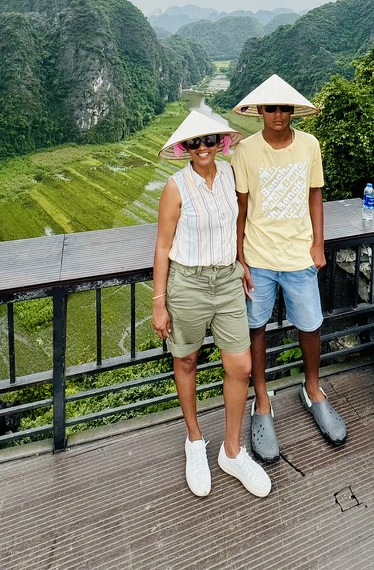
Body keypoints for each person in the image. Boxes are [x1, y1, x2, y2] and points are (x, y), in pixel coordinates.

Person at [152, 109, 272, 499]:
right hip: (187, 284)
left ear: (220, 143)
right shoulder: (176, 187)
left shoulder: (231, 177)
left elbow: (236, 225)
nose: (202, 148)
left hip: (226, 281)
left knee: (240, 365)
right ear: (185, 148)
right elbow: (163, 246)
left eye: (209, 140)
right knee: (186, 360)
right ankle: (194, 441)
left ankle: (232, 451)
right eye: (194, 142)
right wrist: (159, 302)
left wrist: (242, 262)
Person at [231, 73, 348, 461]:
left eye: (285, 107)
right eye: (270, 108)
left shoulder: (310, 145)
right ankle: (262, 400)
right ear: (259, 111)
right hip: (259, 256)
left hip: (299, 256)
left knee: (311, 325)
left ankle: (313, 389)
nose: (278, 115)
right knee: (256, 328)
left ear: (294, 110)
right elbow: (241, 210)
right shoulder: (245, 151)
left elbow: (316, 195)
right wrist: (240, 258)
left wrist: (318, 243)